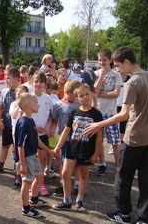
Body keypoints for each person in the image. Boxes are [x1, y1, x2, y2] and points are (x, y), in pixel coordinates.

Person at [83, 46, 148, 224]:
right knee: (145, 179)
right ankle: (144, 218)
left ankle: (124, 214)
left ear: (127, 62)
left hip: (134, 137)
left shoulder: (132, 82)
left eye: (118, 65)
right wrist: (146, 117)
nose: (118, 69)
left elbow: (123, 115)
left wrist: (98, 124)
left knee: (123, 176)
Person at [52, 84, 103, 212]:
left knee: (84, 174)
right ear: (77, 99)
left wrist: (96, 153)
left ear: (91, 94)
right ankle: (66, 201)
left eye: (87, 94)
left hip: (86, 149)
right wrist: (58, 147)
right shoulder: (74, 112)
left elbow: (99, 136)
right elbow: (66, 130)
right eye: (81, 95)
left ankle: (79, 200)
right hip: (72, 147)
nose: (85, 97)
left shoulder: (96, 114)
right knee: (65, 174)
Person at [15, 93, 50, 218]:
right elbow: (20, 145)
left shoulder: (31, 120)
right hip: (27, 157)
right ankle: (26, 208)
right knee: (26, 182)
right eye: (36, 101)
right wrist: (23, 164)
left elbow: (36, 139)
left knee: (39, 177)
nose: (38, 104)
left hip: (33, 155)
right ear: (28, 104)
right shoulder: (24, 122)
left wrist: (49, 151)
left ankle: (34, 200)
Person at [50, 79, 81, 196]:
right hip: (64, 139)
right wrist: (52, 129)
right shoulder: (58, 105)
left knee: (77, 163)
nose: (78, 97)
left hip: (77, 139)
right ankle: (63, 184)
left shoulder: (78, 104)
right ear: (68, 92)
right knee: (63, 162)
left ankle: (77, 185)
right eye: (76, 94)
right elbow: (54, 120)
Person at [94, 48, 123, 174]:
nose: (101, 62)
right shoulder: (95, 74)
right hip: (98, 111)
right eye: (99, 60)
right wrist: (101, 76)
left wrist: (101, 93)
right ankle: (102, 163)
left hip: (111, 112)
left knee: (115, 141)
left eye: (104, 60)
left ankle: (118, 166)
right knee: (99, 140)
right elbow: (94, 91)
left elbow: (116, 94)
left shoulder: (116, 75)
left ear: (110, 60)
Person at [31, 71, 54, 196]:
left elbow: (51, 115)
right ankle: (31, 184)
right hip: (30, 134)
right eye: (36, 81)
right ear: (32, 82)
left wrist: (50, 125)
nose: (38, 84)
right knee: (30, 159)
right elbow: (24, 117)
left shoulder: (48, 99)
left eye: (41, 82)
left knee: (42, 158)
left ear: (45, 84)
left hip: (43, 134)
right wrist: (34, 127)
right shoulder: (28, 97)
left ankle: (40, 183)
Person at [0, 67, 21, 173]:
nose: (6, 80)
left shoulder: (22, 91)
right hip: (7, 124)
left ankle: (17, 168)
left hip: (18, 125)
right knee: (5, 145)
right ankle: (1, 165)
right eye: (6, 78)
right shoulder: (4, 91)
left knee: (17, 147)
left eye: (9, 78)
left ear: (16, 79)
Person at [9, 85, 29, 188]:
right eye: (18, 93)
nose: (20, 95)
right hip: (16, 134)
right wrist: (19, 105)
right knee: (17, 156)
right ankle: (17, 176)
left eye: (22, 93)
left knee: (28, 155)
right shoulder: (13, 104)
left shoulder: (29, 104)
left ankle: (27, 176)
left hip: (27, 133)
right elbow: (13, 115)